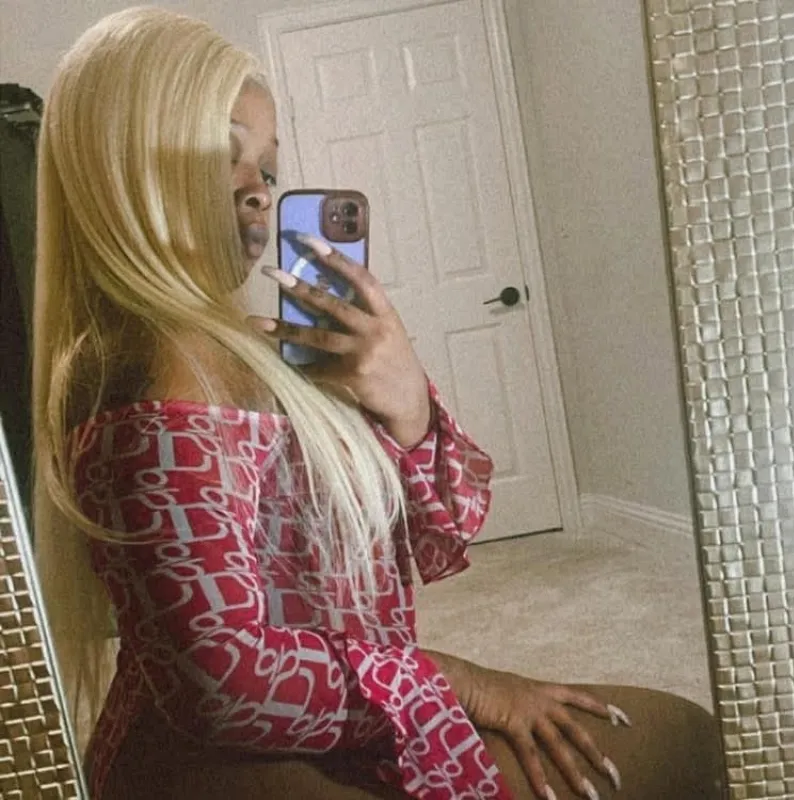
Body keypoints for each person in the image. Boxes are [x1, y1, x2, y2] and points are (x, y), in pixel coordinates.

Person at [32, 7, 724, 799]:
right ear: (123, 170)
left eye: (269, 172)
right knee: (690, 744)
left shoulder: (247, 347)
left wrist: (407, 406)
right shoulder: (167, 366)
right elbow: (230, 683)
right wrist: (464, 683)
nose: (258, 196)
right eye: (224, 159)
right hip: (243, 756)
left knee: (676, 737)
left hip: (331, 718)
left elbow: (442, 529)